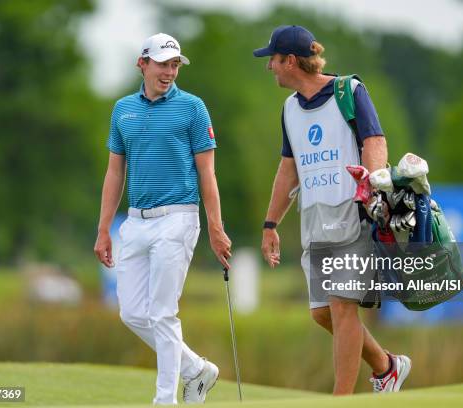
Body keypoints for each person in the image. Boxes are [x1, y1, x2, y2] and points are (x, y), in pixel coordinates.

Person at [254, 25, 411, 394]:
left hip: (353, 216)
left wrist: (373, 189)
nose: (269, 68)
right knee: (322, 312)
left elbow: (375, 140)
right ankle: (387, 367)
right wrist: (270, 222)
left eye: (273, 61)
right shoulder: (290, 108)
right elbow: (288, 168)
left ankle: (341, 400)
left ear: (290, 61)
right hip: (315, 221)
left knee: (342, 308)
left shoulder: (349, 91)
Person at [94, 33, 231, 405]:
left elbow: (208, 174)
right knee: (132, 313)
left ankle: (164, 400)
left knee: (162, 313)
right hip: (135, 222)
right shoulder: (122, 109)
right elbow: (114, 172)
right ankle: (196, 369)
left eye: (174, 65)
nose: (169, 72)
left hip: (178, 218)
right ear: (143, 63)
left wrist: (216, 228)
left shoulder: (192, 108)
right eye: (162, 64)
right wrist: (104, 228)